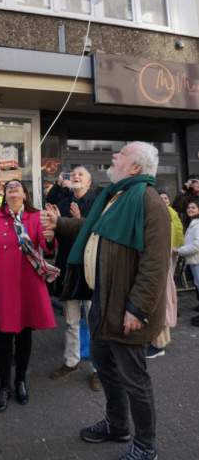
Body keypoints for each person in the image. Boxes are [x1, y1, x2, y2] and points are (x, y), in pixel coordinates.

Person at [42, 142, 169, 460]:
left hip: (126, 309)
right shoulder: (117, 197)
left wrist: (137, 308)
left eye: (121, 154)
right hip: (102, 302)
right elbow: (94, 229)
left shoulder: (148, 202)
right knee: (107, 370)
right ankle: (117, 426)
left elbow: (155, 263)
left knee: (134, 380)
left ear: (136, 167)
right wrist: (61, 224)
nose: (114, 156)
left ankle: (145, 445)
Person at [0, 179, 57, 413]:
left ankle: (20, 381)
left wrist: (49, 238)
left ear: (25, 195)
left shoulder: (36, 217)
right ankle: (4, 386)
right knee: (3, 338)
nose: (13, 190)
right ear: (4, 195)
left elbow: (46, 247)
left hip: (28, 284)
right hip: (0, 286)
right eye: (9, 188)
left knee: (25, 335)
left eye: (17, 187)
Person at [47, 166, 100, 391]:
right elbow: (54, 231)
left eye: (81, 175)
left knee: (93, 321)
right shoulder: (62, 202)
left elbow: (98, 231)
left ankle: (99, 369)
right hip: (68, 266)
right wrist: (52, 230)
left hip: (89, 268)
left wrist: (79, 220)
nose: (76, 177)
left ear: (89, 182)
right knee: (70, 321)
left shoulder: (97, 203)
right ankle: (71, 361)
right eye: (74, 174)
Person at [145, 191, 183, 359]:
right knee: (158, 302)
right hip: (159, 261)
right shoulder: (159, 214)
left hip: (160, 262)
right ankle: (157, 341)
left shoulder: (163, 215)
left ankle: (159, 344)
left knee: (161, 302)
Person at [175, 200, 199, 326]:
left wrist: (179, 251)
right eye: (189, 207)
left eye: (193, 208)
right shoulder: (193, 223)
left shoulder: (197, 224)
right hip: (194, 261)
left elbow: (196, 245)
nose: (190, 209)